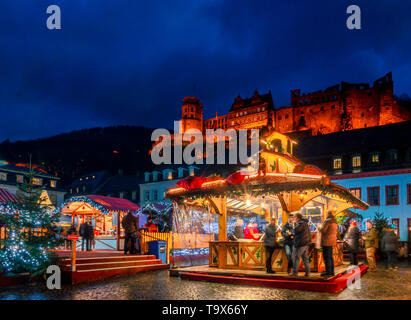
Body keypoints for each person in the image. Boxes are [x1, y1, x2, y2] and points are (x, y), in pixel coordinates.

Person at [319, 211, 338, 276]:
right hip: (332, 241)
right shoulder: (335, 222)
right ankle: (331, 271)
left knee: (326, 257)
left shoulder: (327, 221)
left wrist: (319, 228)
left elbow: (323, 230)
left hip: (326, 241)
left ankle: (328, 271)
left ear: (327, 214)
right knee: (330, 257)